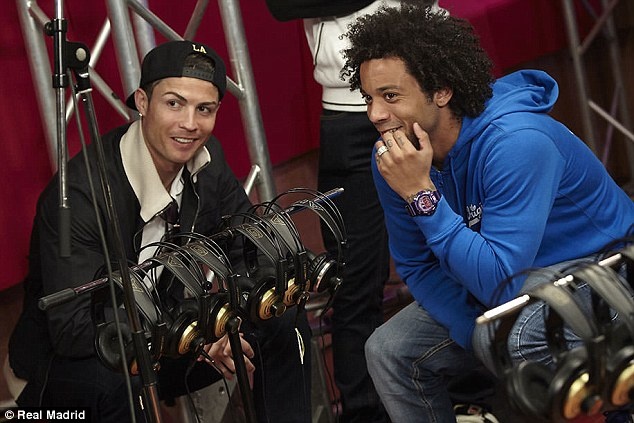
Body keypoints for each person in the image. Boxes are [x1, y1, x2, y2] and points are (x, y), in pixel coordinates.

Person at [338, 4, 634, 423]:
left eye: (390, 96)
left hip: (608, 272)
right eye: (368, 98)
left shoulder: (516, 142)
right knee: (388, 350)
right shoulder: (393, 156)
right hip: (507, 283)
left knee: (513, 334)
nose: (375, 115)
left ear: (441, 91)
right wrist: (470, 329)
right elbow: (417, 266)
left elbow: (498, 280)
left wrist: (422, 195)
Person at [7, 40, 311, 423]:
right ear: (142, 102)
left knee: (281, 317)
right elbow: (74, 330)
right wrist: (195, 338)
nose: (190, 124)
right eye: (174, 103)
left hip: (167, 343)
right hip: (73, 364)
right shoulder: (79, 194)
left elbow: (251, 251)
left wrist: (221, 325)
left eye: (204, 109)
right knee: (121, 382)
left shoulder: (207, 162)